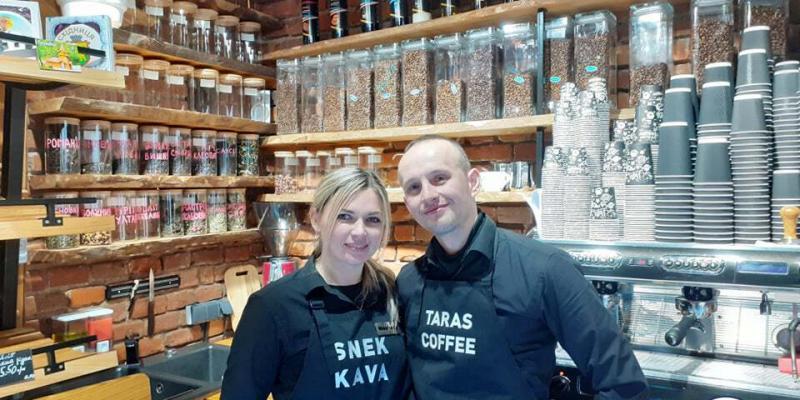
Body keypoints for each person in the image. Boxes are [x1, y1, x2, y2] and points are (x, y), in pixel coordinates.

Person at [396, 135, 649, 400]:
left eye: (439, 178)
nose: (428, 195)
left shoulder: (546, 269)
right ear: (407, 204)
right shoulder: (409, 282)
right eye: (414, 187)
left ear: (472, 182)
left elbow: (624, 386)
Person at [221, 168, 410, 400]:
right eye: (345, 216)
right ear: (316, 219)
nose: (360, 232)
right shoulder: (272, 307)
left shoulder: (391, 293)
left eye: (373, 220)